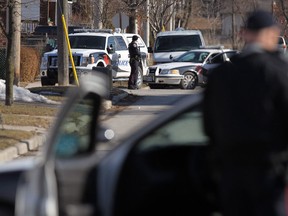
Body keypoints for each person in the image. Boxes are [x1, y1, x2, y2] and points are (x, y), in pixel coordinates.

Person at [203, 10, 288, 216]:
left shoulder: (221, 74)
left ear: (244, 34)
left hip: (232, 173)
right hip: (270, 172)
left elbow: (209, 125)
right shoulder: (279, 72)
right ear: (272, 34)